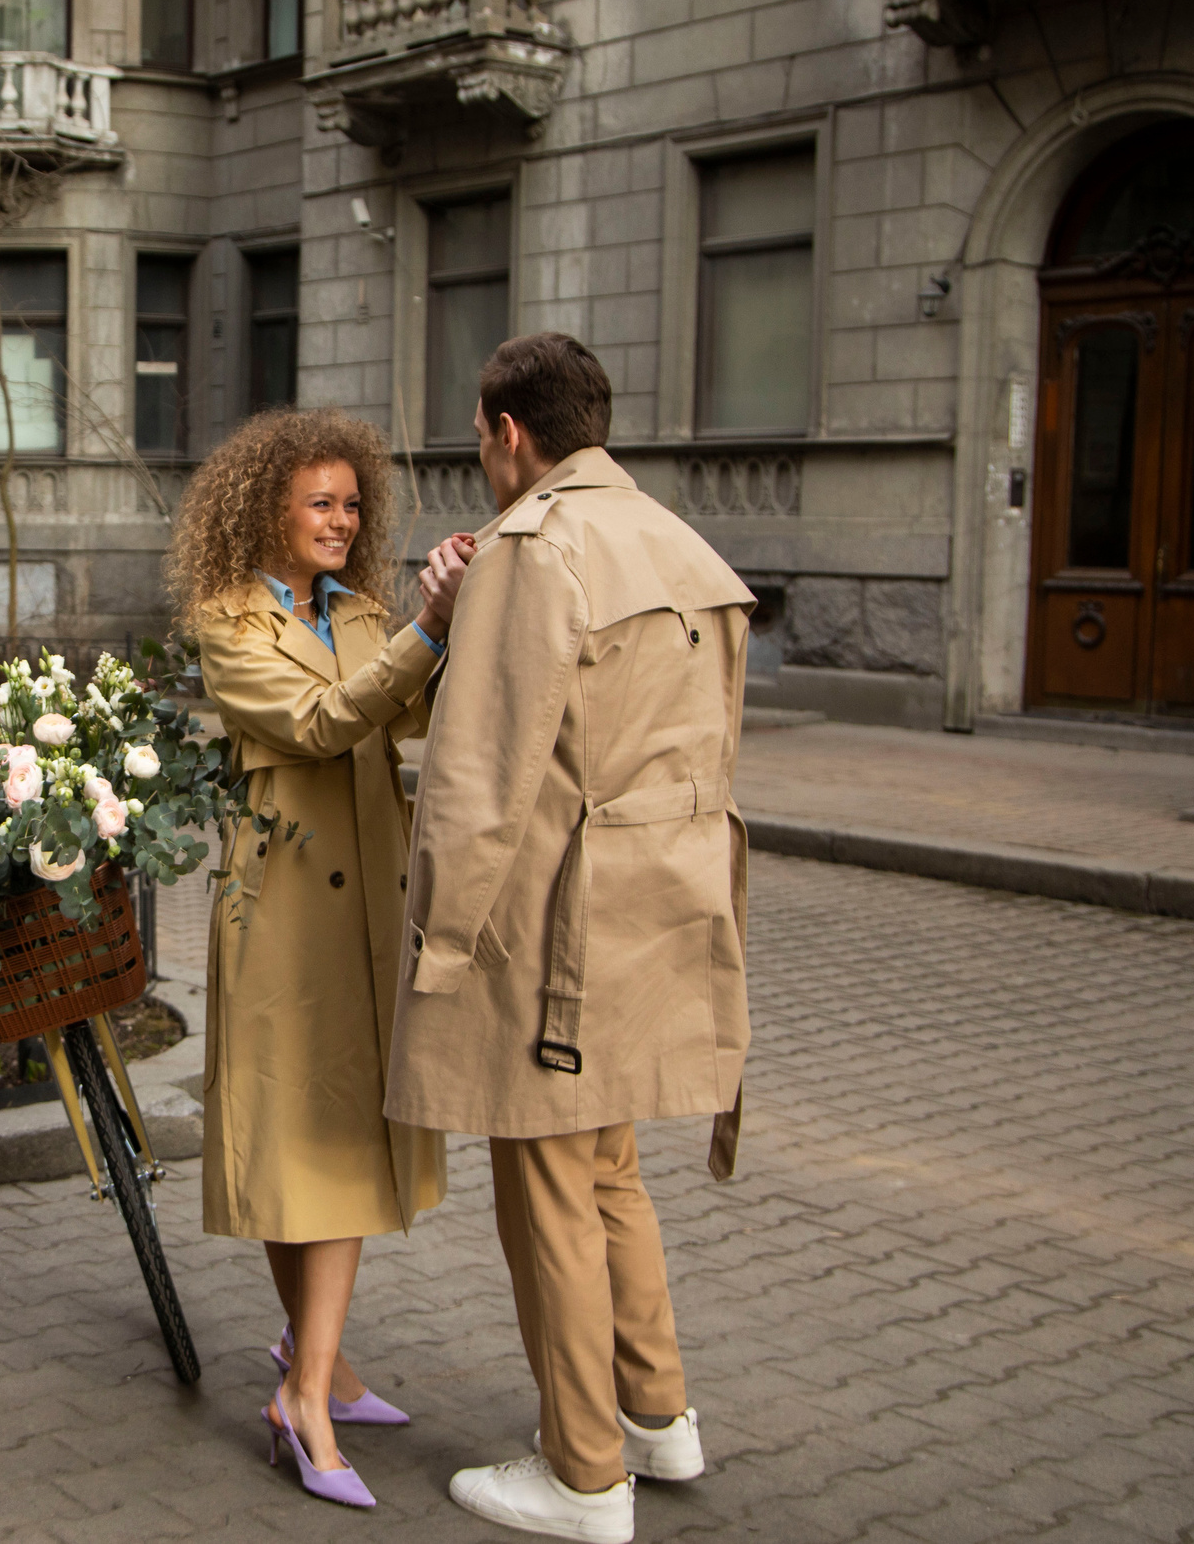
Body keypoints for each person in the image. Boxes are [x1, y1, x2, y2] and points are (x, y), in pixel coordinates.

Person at [388, 333, 753, 1542]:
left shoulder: (532, 550)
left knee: (547, 1180)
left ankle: (584, 1473)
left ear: (504, 432)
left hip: (549, 920)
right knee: (609, 1172)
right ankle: (656, 1418)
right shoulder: (679, 543)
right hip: (661, 907)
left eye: (477, 439)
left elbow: (477, 775)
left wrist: (438, 944)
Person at [165, 409, 468, 1511]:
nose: (341, 520)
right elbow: (321, 722)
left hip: (373, 909)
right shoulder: (226, 621)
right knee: (318, 1137)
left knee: (323, 1138)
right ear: (266, 512)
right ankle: (300, 1396)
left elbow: (415, 712)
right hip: (284, 912)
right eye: (319, 503)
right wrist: (427, 633)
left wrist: (448, 622)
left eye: (351, 503)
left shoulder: (368, 608)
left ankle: (321, 1364)